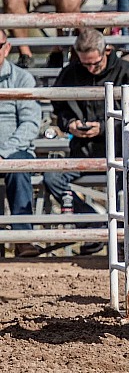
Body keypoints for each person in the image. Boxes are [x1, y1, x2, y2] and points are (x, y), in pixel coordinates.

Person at [43, 28, 129, 255]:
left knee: (123, 190)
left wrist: (103, 126)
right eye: (85, 64)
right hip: (82, 151)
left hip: (122, 151)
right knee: (51, 176)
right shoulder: (70, 72)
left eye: (95, 63)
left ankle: (120, 241)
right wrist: (69, 123)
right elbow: (57, 106)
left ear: (107, 51)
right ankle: (94, 223)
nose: (90, 68)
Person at [0, 30, 41, 257]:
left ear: (7, 48)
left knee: (17, 166)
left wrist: (4, 154)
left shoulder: (22, 78)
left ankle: (23, 238)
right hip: (10, 150)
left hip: (16, 149)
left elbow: (30, 124)